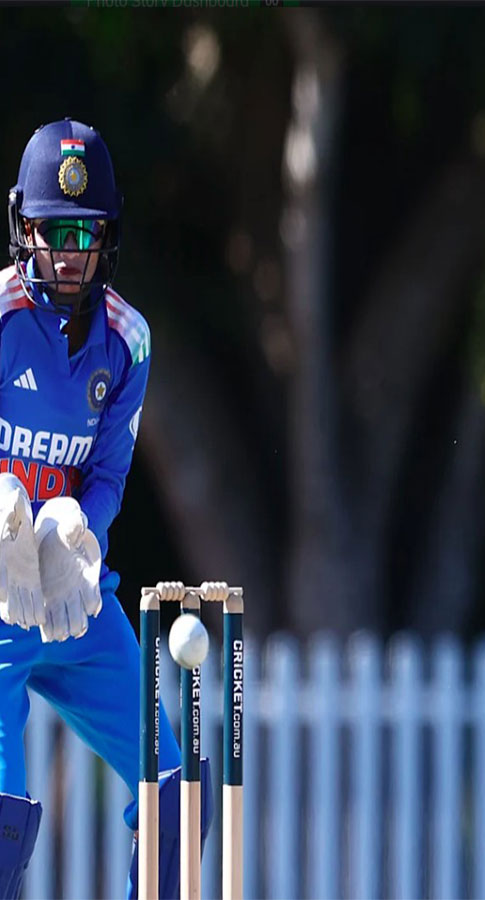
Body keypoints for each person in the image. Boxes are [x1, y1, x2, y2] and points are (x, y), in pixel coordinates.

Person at [0, 118, 211, 899]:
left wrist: (76, 526)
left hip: (73, 598)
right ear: (23, 228)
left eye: (85, 232)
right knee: (1, 823)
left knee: (180, 795)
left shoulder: (129, 341)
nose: (68, 252)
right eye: (54, 231)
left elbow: (109, 474)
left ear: (108, 235)